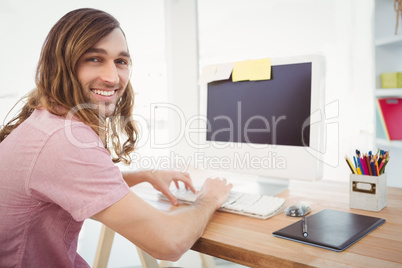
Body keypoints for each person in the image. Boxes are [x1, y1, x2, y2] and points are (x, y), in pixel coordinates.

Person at [0, 8, 232, 267]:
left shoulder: (46, 122)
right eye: (94, 59)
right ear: (61, 64)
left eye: (120, 61)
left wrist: (142, 175)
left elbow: (60, 180)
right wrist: (209, 197)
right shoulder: (62, 138)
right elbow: (170, 242)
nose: (113, 78)